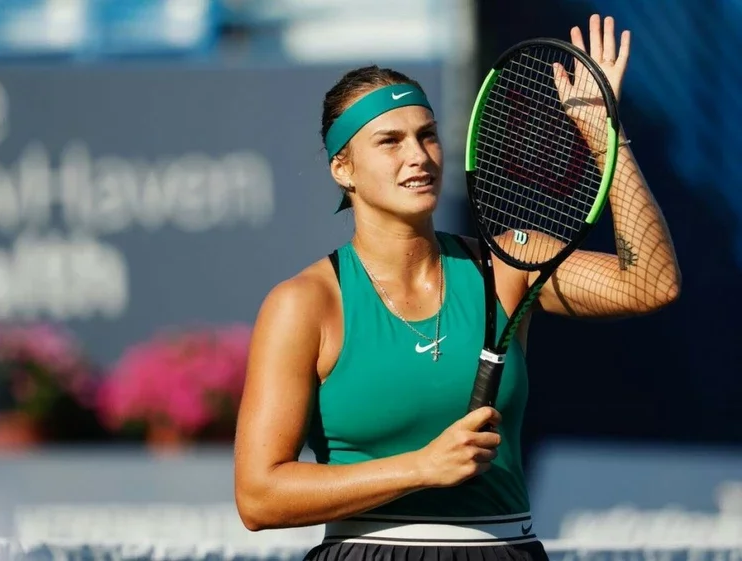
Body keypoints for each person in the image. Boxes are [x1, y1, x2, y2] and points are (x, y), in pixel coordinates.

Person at [233, 13, 681, 561]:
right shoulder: (304, 303)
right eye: (390, 142)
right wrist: (421, 468)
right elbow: (259, 497)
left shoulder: (510, 265)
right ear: (342, 168)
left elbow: (650, 283)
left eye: (427, 135)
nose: (418, 156)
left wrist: (603, 134)